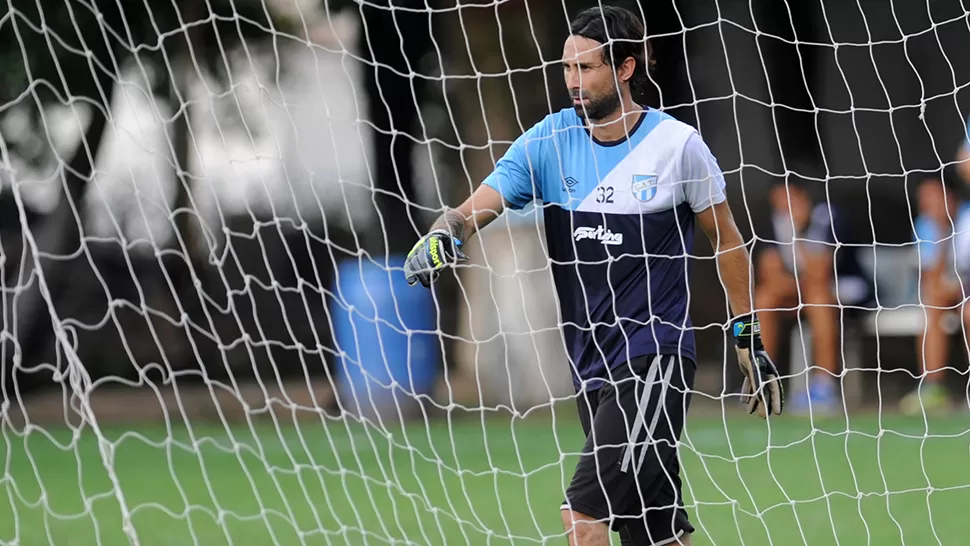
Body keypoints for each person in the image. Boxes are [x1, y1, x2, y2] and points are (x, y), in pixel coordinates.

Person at [402, 6, 783, 546]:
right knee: (656, 533)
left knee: (582, 519)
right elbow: (472, 208)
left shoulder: (677, 146)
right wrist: (447, 232)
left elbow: (727, 240)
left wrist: (746, 334)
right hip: (591, 368)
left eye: (587, 68)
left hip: (655, 358)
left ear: (625, 68)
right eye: (567, 69)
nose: (574, 82)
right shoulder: (548, 143)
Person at [754, 182, 842, 414]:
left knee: (819, 300)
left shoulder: (825, 217)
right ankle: (762, 378)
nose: (784, 206)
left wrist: (799, 232)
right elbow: (768, 271)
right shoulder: (771, 222)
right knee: (763, 298)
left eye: (789, 198)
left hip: (837, 290)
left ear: (803, 197)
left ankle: (824, 385)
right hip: (795, 290)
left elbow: (821, 273)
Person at [899, 176, 970, 414]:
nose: (927, 204)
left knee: (969, 313)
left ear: (949, 197)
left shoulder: (968, 218)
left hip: (965, 291)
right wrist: (940, 232)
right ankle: (933, 386)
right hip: (951, 291)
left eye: (932, 197)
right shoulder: (926, 225)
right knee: (933, 304)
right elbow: (931, 278)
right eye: (923, 199)